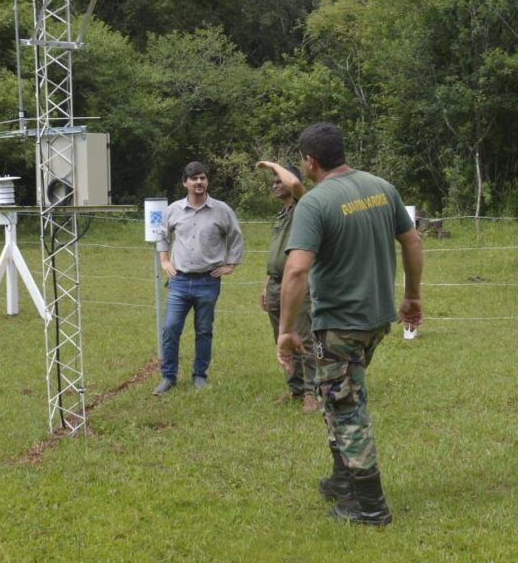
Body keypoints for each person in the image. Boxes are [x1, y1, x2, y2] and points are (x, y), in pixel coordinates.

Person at [277, 122, 423, 525]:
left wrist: (286, 329)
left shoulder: (315, 202)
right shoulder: (380, 187)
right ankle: (343, 480)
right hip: (375, 318)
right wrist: (412, 295)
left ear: (309, 161)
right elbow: (412, 240)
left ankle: (370, 506)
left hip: (340, 322)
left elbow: (296, 270)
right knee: (336, 393)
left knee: (346, 407)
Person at [154, 161, 245, 394]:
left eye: (202, 178)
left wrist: (230, 265)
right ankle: (168, 377)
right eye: (193, 178)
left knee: (204, 329)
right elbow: (162, 234)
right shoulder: (174, 210)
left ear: (207, 181)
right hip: (179, 281)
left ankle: (199, 375)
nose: (199, 182)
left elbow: (236, 236)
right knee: (170, 328)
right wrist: (164, 260)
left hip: (208, 281)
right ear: (185, 183)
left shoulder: (221, 210)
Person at [256, 160, 318, 412]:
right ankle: (295, 388)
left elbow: (295, 183)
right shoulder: (282, 214)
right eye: (273, 181)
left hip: (297, 284)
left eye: (278, 180)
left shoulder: (305, 207)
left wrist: (271, 164)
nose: (275, 184)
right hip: (276, 284)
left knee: (303, 337)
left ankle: (312, 392)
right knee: (281, 337)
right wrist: (267, 283)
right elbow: (277, 253)